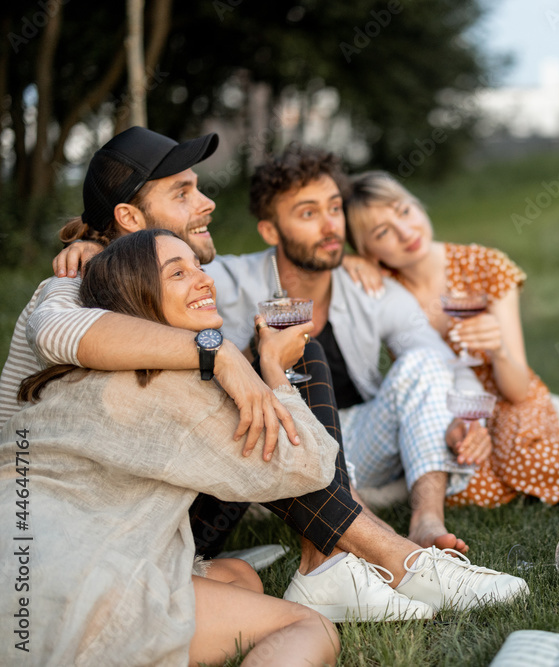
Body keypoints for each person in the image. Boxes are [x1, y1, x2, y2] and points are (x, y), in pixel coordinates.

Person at [2, 127, 527, 623]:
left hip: (160, 510)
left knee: (298, 354)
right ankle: (399, 561)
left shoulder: (161, 276)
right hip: (74, 528)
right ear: (130, 218)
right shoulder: (75, 280)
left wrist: (337, 273)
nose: (206, 203)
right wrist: (222, 354)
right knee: (255, 396)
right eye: (183, 193)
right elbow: (55, 332)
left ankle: (328, 562)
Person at [1, 229, 340, 666]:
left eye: (199, 268)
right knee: (310, 628)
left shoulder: (59, 374)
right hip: (75, 587)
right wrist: (274, 369)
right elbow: (309, 466)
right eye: (177, 272)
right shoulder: (179, 388)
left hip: (19, 556)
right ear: (135, 294)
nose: (204, 280)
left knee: (240, 578)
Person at [205, 145, 492, 554]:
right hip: (277, 444)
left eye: (335, 208)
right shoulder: (228, 281)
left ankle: (427, 521)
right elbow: (148, 260)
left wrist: (467, 417)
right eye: (308, 213)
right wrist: (88, 244)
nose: (330, 226)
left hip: (358, 439)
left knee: (424, 361)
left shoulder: (370, 289)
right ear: (270, 231)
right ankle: (361, 519)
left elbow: (439, 358)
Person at [343, 171, 559, 508]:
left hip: (508, 395)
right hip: (450, 410)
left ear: (417, 206)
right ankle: (543, 464)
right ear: (367, 250)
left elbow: (518, 388)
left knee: (522, 461)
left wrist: (496, 349)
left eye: (405, 211)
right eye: (382, 232)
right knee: (468, 489)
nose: (406, 232)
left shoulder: (485, 267)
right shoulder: (381, 287)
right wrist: (349, 262)